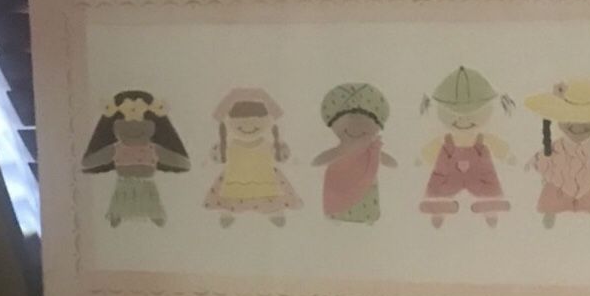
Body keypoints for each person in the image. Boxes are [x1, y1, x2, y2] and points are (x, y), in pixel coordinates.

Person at [418, 65, 514, 227]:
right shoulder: (445, 139)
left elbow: (496, 145)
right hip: (450, 174)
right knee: (439, 181)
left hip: (478, 173)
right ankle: (438, 207)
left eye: (471, 114)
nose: (463, 121)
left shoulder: (482, 138)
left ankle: (491, 207)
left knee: (488, 181)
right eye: (455, 115)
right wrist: (422, 158)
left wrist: (507, 156)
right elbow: (431, 148)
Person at [523, 78, 590, 228]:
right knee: (555, 186)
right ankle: (550, 212)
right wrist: (532, 162)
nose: (579, 126)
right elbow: (545, 155)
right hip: (562, 178)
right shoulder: (557, 147)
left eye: (586, 119)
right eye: (570, 118)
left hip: (589, 179)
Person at [80, 90, 190, 227]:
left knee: (148, 204)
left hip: (145, 186)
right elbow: (88, 162)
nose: (133, 128)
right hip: (125, 186)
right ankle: (120, 217)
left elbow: (182, 162)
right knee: (122, 204)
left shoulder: (151, 149)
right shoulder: (118, 149)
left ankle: (149, 217)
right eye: (126, 124)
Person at [204, 87, 300, 227]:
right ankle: (228, 211)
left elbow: (282, 155)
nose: (248, 124)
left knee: (269, 194)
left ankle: (273, 211)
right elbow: (217, 156)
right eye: (240, 119)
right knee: (232, 194)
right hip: (236, 178)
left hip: (264, 178)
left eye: (256, 118)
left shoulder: (268, 145)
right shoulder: (230, 147)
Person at [312, 82, 396, 223]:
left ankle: (365, 217)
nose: (357, 126)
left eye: (366, 119)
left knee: (366, 203)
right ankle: (339, 215)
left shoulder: (372, 149)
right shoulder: (344, 149)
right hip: (339, 183)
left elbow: (388, 161)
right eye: (350, 117)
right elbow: (326, 157)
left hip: (367, 187)